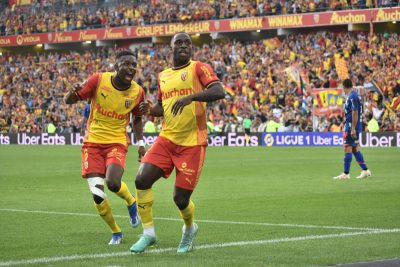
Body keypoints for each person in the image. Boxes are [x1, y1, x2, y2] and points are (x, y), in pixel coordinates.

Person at [130, 32, 225, 253]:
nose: (184, 46)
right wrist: (150, 110)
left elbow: (219, 91)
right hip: (167, 139)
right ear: (170, 48)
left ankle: (189, 229)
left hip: (192, 143)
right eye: (179, 43)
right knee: (141, 179)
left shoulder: (198, 67)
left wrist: (191, 97)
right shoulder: (163, 75)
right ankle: (148, 233)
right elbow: (164, 108)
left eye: (187, 43)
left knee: (180, 199)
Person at [64, 50, 145, 245]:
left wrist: (141, 144)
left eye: (134, 64)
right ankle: (116, 232)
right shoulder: (98, 80)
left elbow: (137, 119)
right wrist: (72, 93)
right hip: (92, 143)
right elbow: (70, 101)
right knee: (98, 195)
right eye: (127, 63)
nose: (131, 68)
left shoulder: (137, 92)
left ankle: (131, 202)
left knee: (113, 183)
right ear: (116, 66)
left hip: (116, 141)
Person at [334, 79, 371, 180]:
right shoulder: (354, 95)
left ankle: (346, 173)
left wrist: (353, 128)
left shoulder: (352, 96)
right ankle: (365, 170)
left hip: (351, 126)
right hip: (351, 124)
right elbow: (351, 112)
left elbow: (355, 112)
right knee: (354, 149)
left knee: (347, 147)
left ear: (344, 87)